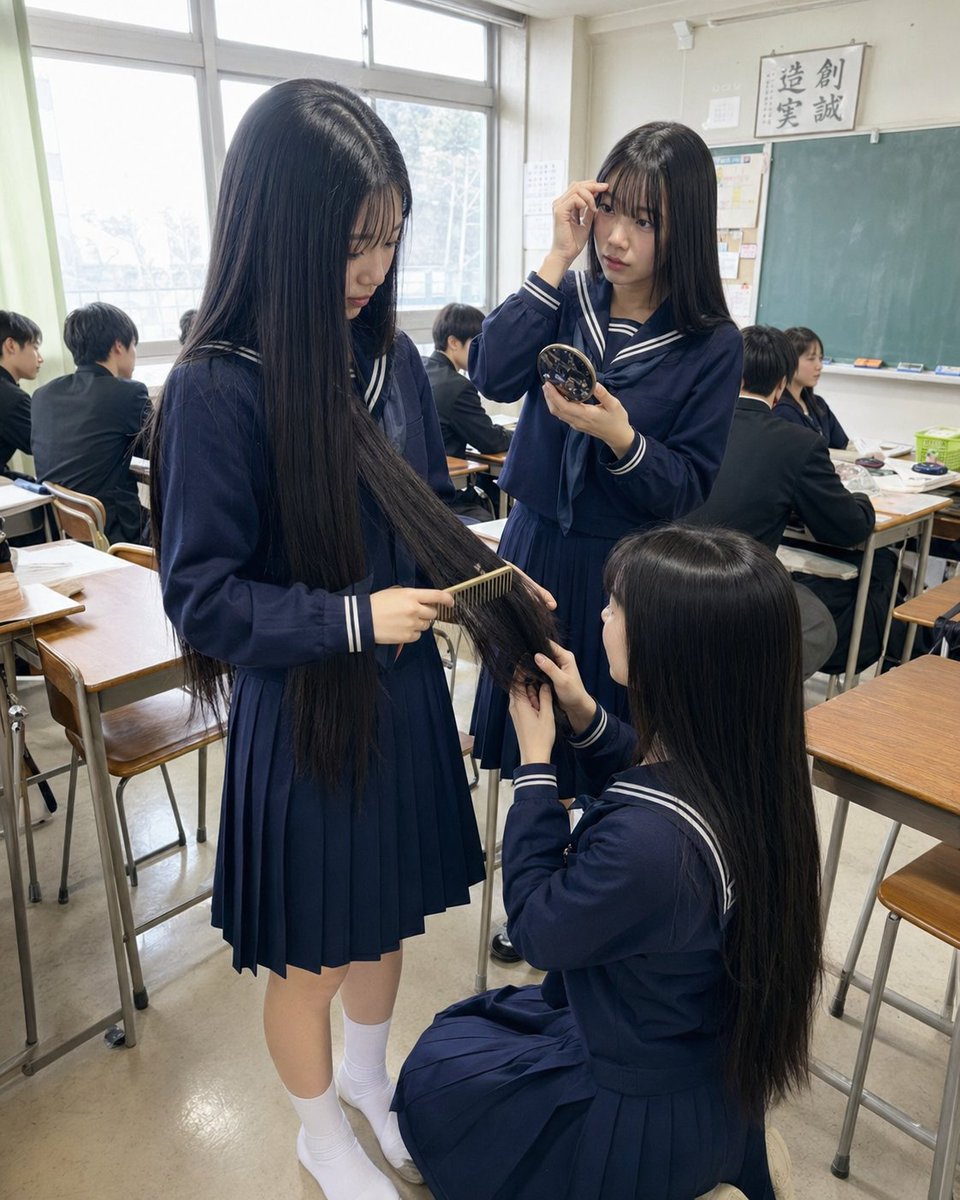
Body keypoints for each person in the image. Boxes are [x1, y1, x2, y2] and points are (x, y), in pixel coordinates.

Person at [149, 79, 558, 1200]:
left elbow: (421, 512)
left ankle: (371, 1086)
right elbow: (202, 601)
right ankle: (317, 1128)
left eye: (385, 239)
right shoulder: (214, 391)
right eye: (347, 242)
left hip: (403, 694)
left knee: (385, 922)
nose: (370, 269)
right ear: (275, 229)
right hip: (312, 716)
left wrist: (489, 574)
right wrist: (345, 618)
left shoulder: (388, 364)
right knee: (312, 956)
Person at [395, 524, 821, 1200]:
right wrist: (584, 714)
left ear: (668, 652)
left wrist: (535, 765)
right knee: (485, 1026)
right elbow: (657, 780)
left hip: (640, 1130)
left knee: (437, 1070)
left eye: (616, 607)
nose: (601, 615)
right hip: (703, 1076)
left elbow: (536, 927)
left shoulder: (651, 847)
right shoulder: (752, 770)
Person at [468, 120, 742, 961]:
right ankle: (536, 885)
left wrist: (624, 439)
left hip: (624, 576)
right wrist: (555, 255)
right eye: (612, 208)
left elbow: (686, 490)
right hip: (531, 547)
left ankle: (597, 894)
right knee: (529, 716)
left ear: (684, 230)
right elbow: (488, 371)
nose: (618, 236)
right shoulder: (570, 295)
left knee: (611, 739)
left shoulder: (709, 345)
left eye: (647, 220)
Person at [690, 325, 898, 677]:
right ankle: (758, 697)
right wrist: (862, 498)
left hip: (659, 574)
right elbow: (847, 528)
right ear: (782, 385)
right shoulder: (797, 443)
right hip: (732, 590)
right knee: (817, 624)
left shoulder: (690, 423)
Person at [30, 302, 151, 543]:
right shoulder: (127, 393)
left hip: (73, 527)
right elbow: (161, 449)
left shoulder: (43, 395)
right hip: (119, 529)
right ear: (119, 345)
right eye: (133, 345)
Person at [773, 326, 849, 448]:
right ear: (789, 360)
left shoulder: (819, 404)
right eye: (811, 359)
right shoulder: (780, 409)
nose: (819, 366)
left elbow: (841, 444)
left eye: (820, 358)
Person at [0, 310, 41, 476]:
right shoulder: (11, 398)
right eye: (35, 348)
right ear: (11, 345)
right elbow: (43, 445)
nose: (40, 358)